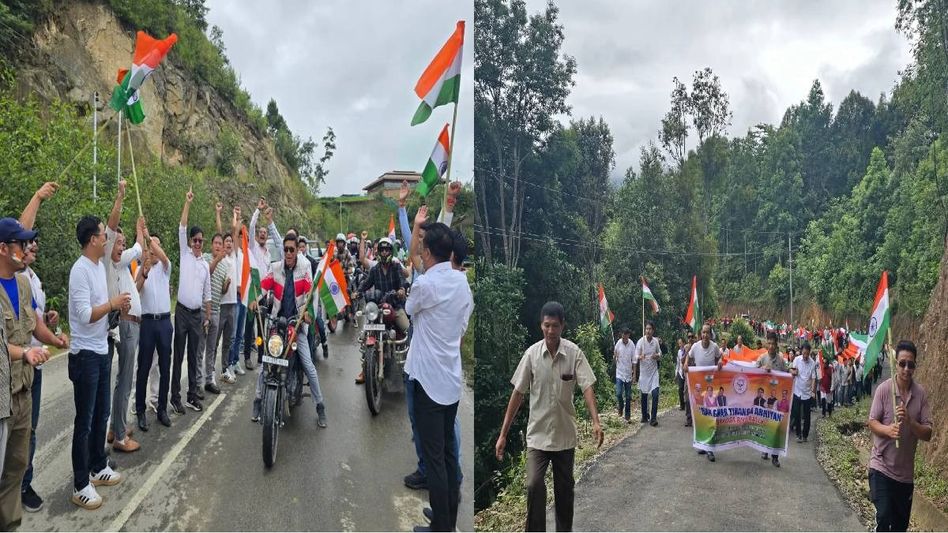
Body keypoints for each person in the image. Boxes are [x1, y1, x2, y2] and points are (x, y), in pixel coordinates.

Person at [496, 301, 602, 533]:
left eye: (555, 326)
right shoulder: (531, 355)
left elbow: (587, 387)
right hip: (538, 436)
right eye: (547, 325)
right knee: (534, 484)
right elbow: (518, 393)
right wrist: (503, 434)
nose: (551, 331)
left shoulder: (574, 354)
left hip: (564, 436)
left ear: (563, 326)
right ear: (541, 326)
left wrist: (596, 421)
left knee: (564, 492)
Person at [403, 222, 473, 532]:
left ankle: (441, 529)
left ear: (429, 252)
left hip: (427, 383)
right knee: (447, 456)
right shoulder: (462, 284)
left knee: (434, 460)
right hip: (450, 381)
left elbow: (409, 309)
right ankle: (446, 519)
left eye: (422, 248)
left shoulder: (425, 285)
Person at [67, 215, 129, 510]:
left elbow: (101, 312)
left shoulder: (98, 266)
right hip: (85, 355)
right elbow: (84, 315)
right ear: (93, 239)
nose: (106, 238)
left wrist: (115, 309)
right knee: (85, 421)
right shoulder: (80, 270)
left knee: (101, 413)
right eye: (103, 234)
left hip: (102, 348)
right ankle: (81, 484)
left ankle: (97, 465)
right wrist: (112, 304)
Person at [0, 217, 57, 526]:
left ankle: (9, 522)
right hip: (2, 393)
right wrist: (25, 352)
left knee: (17, 464)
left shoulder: (23, 284)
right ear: (3, 249)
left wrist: (55, 338)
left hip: (23, 389)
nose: (26, 248)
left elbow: (34, 324)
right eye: (20, 244)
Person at [15, 182, 63, 513]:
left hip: (36, 363)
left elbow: (34, 319)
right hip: (16, 363)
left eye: (34, 243)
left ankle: (23, 483)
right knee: (14, 429)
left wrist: (49, 322)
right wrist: (37, 197)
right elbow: (19, 230)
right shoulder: (14, 276)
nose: (32, 246)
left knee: (29, 429)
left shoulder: (32, 279)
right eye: (27, 243)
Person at [253, 234, 327, 428]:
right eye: (285, 249)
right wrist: (255, 299)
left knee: (309, 365)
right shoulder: (276, 268)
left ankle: (320, 406)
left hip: (297, 325)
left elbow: (310, 295)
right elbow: (263, 286)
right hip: (277, 324)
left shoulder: (304, 270)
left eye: (291, 249)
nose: (288, 253)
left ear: (296, 252)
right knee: (266, 362)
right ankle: (258, 400)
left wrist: (307, 313)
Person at [867, 340, 932, 532]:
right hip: (881, 467)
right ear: (896, 363)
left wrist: (910, 421)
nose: (906, 369)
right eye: (902, 363)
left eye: (910, 364)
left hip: (905, 476)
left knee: (899, 528)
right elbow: (872, 421)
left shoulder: (920, 395)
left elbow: (928, 433)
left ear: (915, 366)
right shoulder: (884, 389)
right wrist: (887, 430)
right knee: (884, 517)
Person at [103, 181, 144, 453]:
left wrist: (140, 230)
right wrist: (120, 197)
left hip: (131, 325)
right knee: (125, 380)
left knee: (122, 381)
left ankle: (115, 426)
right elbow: (112, 228)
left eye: (123, 243)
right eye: (117, 242)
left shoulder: (122, 262)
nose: (121, 246)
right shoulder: (110, 260)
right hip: (125, 325)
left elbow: (139, 248)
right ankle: (119, 436)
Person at [172, 187, 212, 414]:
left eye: (200, 241)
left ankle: (191, 396)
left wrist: (207, 316)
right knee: (178, 355)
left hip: (197, 315)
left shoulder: (205, 265)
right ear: (190, 241)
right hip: (181, 312)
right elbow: (182, 226)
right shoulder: (184, 254)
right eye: (195, 240)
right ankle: (175, 397)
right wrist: (187, 202)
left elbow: (208, 294)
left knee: (194, 356)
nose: (197, 244)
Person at [355, 237, 408, 384]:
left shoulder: (396, 267)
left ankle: (410, 368)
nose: (384, 252)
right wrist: (357, 292)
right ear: (378, 252)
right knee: (367, 334)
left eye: (387, 250)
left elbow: (402, 281)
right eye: (382, 250)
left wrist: (401, 289)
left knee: (407, 329)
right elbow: (366, 284)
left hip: (395, 306)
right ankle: (365, 369)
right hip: (378, 308)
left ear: (391, 251)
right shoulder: (375, 269)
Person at [136, 229, 173, 432]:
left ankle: (162, 409)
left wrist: (150, 239)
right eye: (150, 248)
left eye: (156, 247)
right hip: (148, 323)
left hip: (165, 322)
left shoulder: (166, 268)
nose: (153, 251)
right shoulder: (143, 267)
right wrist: (144, 272)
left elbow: (164, 257)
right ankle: (140, 410)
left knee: (165, 367)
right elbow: (136, 289)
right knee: (144, 367)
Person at [685, 324, 721, 461]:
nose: (705, 335)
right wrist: (686, 364)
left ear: (710, 335)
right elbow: (688, 356)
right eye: (703, 332)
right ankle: (703, 444)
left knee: (711, 417)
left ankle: (710, 449)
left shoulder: (714, 347)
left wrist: (720, 362)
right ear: (701, 334)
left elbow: (721, 358)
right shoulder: (695, 347)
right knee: (701, 416)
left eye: (707, 332)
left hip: (711, 389)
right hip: (699, 388)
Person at [755, 331, 788, 466]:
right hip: (765, 400)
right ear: (766, 344)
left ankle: (775, 456)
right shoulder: (762, 358)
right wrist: (762, 368)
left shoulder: (781, 360)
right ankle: (764, 449)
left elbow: (787, 375)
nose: (771, 346)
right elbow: (753, 372)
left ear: (776, 344)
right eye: (769, 343)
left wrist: (792, 372)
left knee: (776, 427)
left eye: (773, 343)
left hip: (777, 399)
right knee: (765, 425)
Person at [790, 343, 817, 443]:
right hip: (797, 391)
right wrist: (793, 372)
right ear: (802, 351)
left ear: (809, 353)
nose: (805, 356)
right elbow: (792, 371)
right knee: (797, 413)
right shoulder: (797, 360)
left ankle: (805, 435)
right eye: (804, 353)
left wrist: (813, 391)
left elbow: (813, 378)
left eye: (807, 354)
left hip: (807, 393)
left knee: (807, 415)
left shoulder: (812, 363)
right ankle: (798, 434)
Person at [636, 321, 661, 426]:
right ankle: (644, 415)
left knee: (655, 394)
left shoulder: (655, 342)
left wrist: (657, 355)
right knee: (644, 395)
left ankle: (653, 418)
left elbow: (660, 353)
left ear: (653, 330)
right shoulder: (640, 341)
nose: (648, 331)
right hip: (644, 373)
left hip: (654, 372)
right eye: (646, 329)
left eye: (650, 329)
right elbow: (635, 355)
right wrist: (640, 357)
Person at [614, 328, 635, 423]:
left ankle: (627, 415)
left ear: (628, 335)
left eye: (625, 335)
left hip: (628, 373)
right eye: (622, 335)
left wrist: (634, 374)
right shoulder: (618, 343)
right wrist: (615, 356)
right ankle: (621, 406)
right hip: (619, 373)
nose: (623, 337)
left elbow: (634, 360)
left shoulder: (632, 345)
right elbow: (614, 357)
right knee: (618, 393)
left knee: (628, 396)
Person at [674, 337, 688, 412]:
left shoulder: (687, 350)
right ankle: (682, 405)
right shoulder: (679, 352)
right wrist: (676, 373)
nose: (679, 345)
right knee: (680, 389)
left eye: (680, 343)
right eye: (678, 343)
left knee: (686, 389)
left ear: (684, 343)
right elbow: (678, 363)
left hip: (686, 372)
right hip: (680, 372)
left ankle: (687, 403)